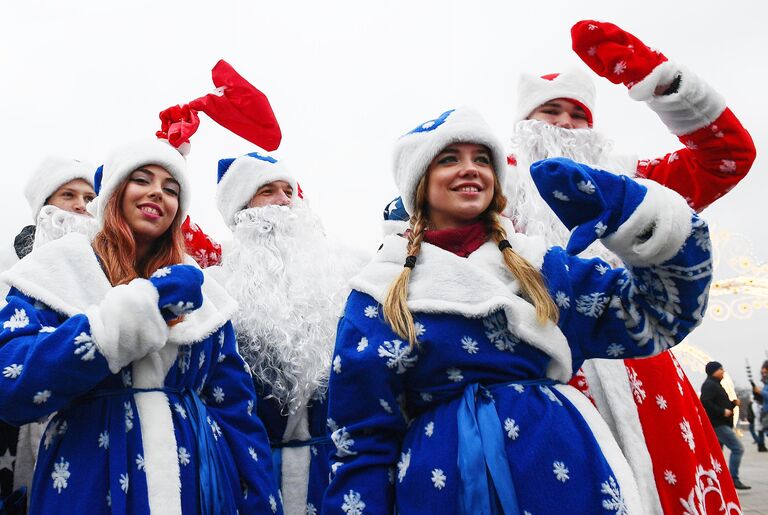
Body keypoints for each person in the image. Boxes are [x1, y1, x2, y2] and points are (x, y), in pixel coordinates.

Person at [322, 106, 712, 514]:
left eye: (482, 159)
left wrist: (630, 211)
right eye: (450, 159)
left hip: (562, 468)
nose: (471, 169)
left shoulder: (545, 267)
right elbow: (360, 438)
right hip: (441, 484)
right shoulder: (378, 290)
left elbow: (660, 312)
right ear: (419, 182)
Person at [504, 20, 754, 512]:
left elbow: (728, 157)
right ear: (523, 124)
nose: (564, 123)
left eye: (578, 113)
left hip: (649, 377)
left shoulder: (634, 185)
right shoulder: (495, 191)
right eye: (549, 110)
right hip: (544, 384)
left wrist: (657, 80)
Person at [0, 138, 281, 514]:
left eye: (170, 189)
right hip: (89, 480)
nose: (156, 194)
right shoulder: (57, 270)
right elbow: (11, 383)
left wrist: (261, 502)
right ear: (115, 192)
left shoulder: (203, 290)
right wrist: (123, 322)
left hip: (198, 486)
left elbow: (236, 414)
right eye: (142, 180)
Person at [211, 152, 364, 515]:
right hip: (251, 475)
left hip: (336, 473)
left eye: (288, 191)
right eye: (267, 191)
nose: (284, 201)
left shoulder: (341, 281)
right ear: (241, 211)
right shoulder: (218, 291)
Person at [0, 156, 98, 514]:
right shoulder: (18, 273)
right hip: (32, 429)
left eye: (90, 197)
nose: (80, 206)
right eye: (68, 195)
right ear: (44, 208)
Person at [700, 362, 750, 489]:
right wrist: (722, 411)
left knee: (716, 454)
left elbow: (719, 403)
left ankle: (718, 479)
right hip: (719, 425)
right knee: (738, 448)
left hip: (720, 423)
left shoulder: (716, 385)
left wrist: (733, 404)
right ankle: (733, 479)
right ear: (713, 371)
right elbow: (705, 402)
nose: (723, 371)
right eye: (720, 369)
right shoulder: (710, 385)